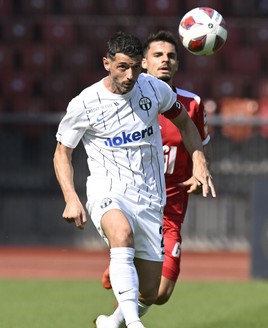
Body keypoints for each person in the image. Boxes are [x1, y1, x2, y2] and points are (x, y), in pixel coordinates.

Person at [53, 31, 216, 328]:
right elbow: (62, 153)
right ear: (107, 63)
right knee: (121, 234)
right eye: (122, 67)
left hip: (150, 198)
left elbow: (185, 124)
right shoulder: (86, 103)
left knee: (153, 291)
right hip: (108, 191)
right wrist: (71, 197)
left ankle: (110, 322)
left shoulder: (153, 90)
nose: (130, 75)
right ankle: (134, 323)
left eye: (135, 68)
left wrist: (199, 159)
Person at [101, 30, 212, 309]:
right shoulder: (125, 99)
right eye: (158, 55)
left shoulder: (192, 104)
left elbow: (198, 141)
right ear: (144, 63)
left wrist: (201, 167)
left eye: (171, 56)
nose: (165, 60)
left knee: (159, 293)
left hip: (170, 210)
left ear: (177, 64)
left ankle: (121, 271)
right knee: (144, 288)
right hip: (134, 203)